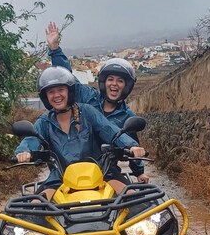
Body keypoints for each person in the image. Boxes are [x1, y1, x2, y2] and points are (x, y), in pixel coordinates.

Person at [15, 66, 145, 201]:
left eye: (61, 90)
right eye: (51, 92)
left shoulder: (87, 112)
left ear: (70, 92)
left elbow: (111, 130)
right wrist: (24, 151)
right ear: (45, 96)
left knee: (134, 201)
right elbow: (32, 139)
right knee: (36, 207)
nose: (57, 95)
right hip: (60, 177)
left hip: (102, 173)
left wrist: (131, 146)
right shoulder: (44, 121)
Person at [45, 22, 149, 184]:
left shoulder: (127, 116)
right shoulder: (88, 98)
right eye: (110, 79)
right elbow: (66, 78)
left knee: (135, 202)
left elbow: (130, 143)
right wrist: (55, 49)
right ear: (103, 82)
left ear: (126, 86)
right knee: (45, 205)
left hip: (107, 171)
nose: (114, 84)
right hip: (71, 169)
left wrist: (139, 171)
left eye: (120, 81)